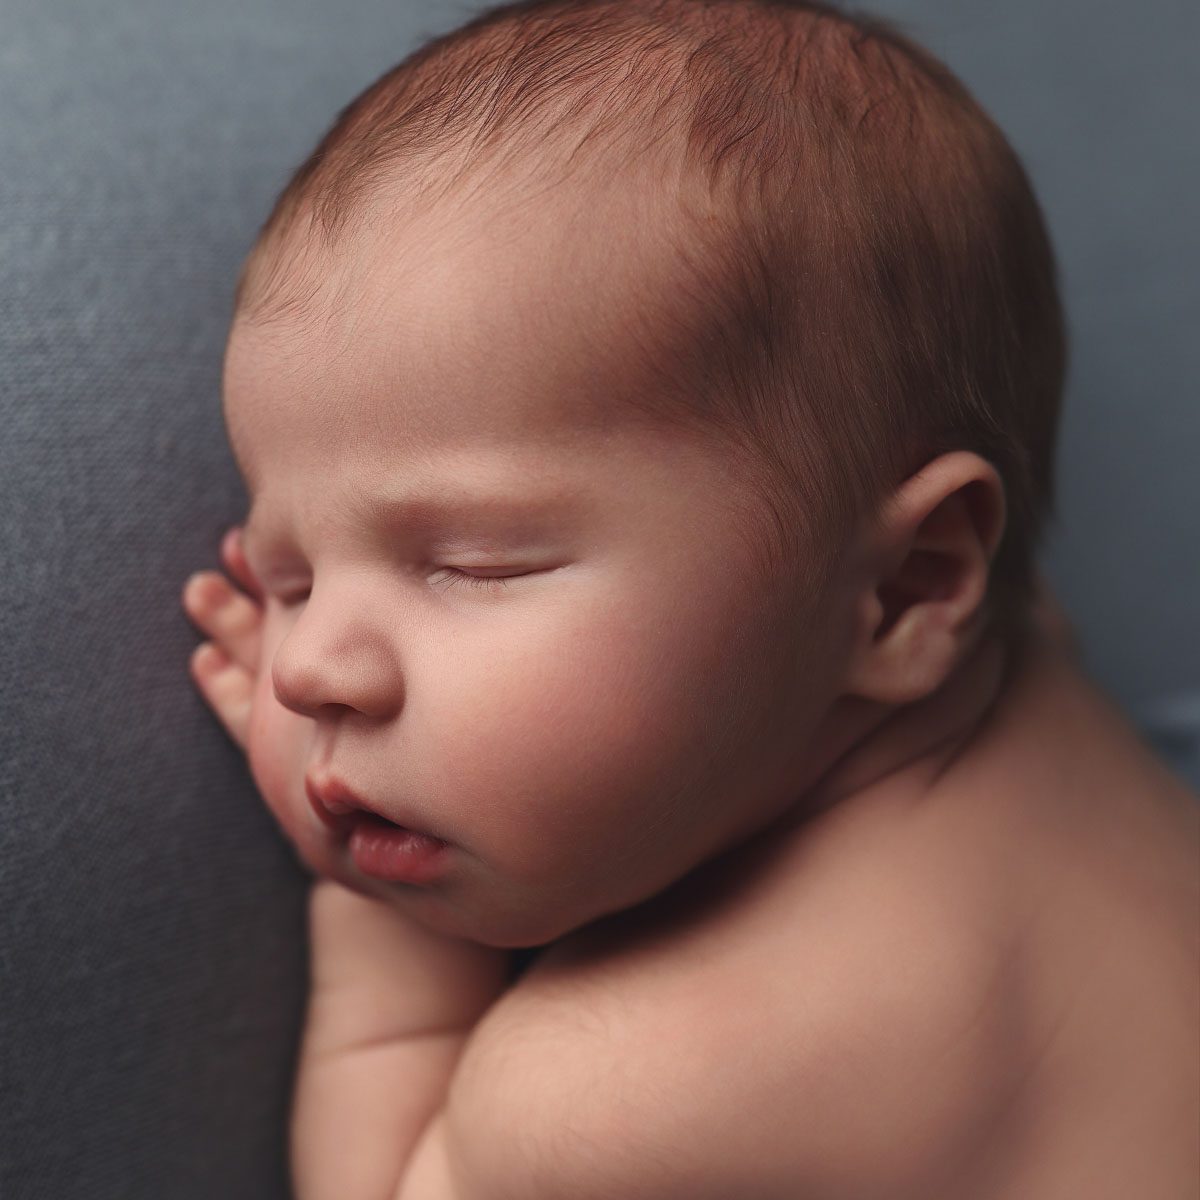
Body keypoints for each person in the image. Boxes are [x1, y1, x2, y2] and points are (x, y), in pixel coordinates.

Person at [181, 1, 1200, 1195]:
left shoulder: (621, 1094)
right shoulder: (1028, 654)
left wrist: (392, 953)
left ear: (906, 589)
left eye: (475, 563)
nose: (308, 672)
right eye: (290, 576)